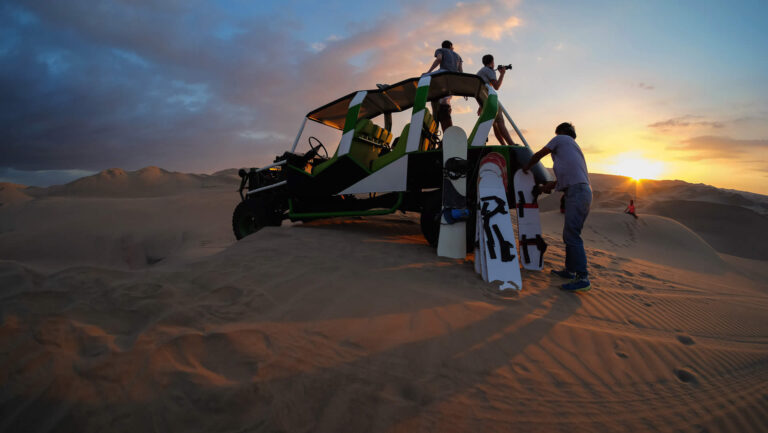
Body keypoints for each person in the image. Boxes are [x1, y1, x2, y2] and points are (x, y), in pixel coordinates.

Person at [522, 122, 592, 292]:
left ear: (560, 132)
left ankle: (583, 277)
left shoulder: (561, 139)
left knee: (572, 235)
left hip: (577, 192)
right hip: (580, 192)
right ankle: (570, 271)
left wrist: (526, 168)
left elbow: (539, 154)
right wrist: (544, 187)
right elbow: (561, 181)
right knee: (570, 234)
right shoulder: (572, 148)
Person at [476, 54, 517, 146]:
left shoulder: (481, 72)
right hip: (490, 99)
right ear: (492, 62)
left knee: (494, 124)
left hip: (484, 100)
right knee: (500, 121)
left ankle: (503, 145)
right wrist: (502, 74)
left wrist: (481, 105)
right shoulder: (489, 70)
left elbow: (483, 89)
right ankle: (511, 144)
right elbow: (496, 86)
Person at [425, 40, 463, 132]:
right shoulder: (458, 56)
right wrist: (462, 88)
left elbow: (439, 59)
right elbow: (461, 72)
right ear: (450, 46)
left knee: (425, 78)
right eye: (452, 47)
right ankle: (444, 108)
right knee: (446, 101)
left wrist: (428, 72)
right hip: (453, 78)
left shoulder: (440, 50)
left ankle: (436, 128)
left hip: (443, 75)